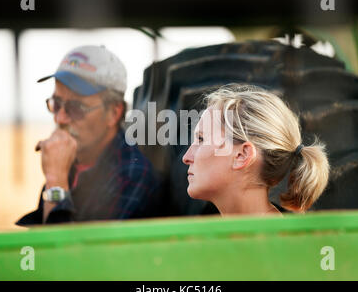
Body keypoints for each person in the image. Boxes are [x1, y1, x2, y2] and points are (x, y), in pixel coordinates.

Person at [17, 45, 161, 225]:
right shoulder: (69, 161)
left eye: (76, 108)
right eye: (56, 103)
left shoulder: (133, 177)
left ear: (113, 113)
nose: (60, 118)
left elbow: (68, 252)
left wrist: (55, 182)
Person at [182, 84, 330, 216]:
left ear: (242, 155)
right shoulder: (264, 237)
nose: (186, 157)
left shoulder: (273, 243)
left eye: (201, 139)